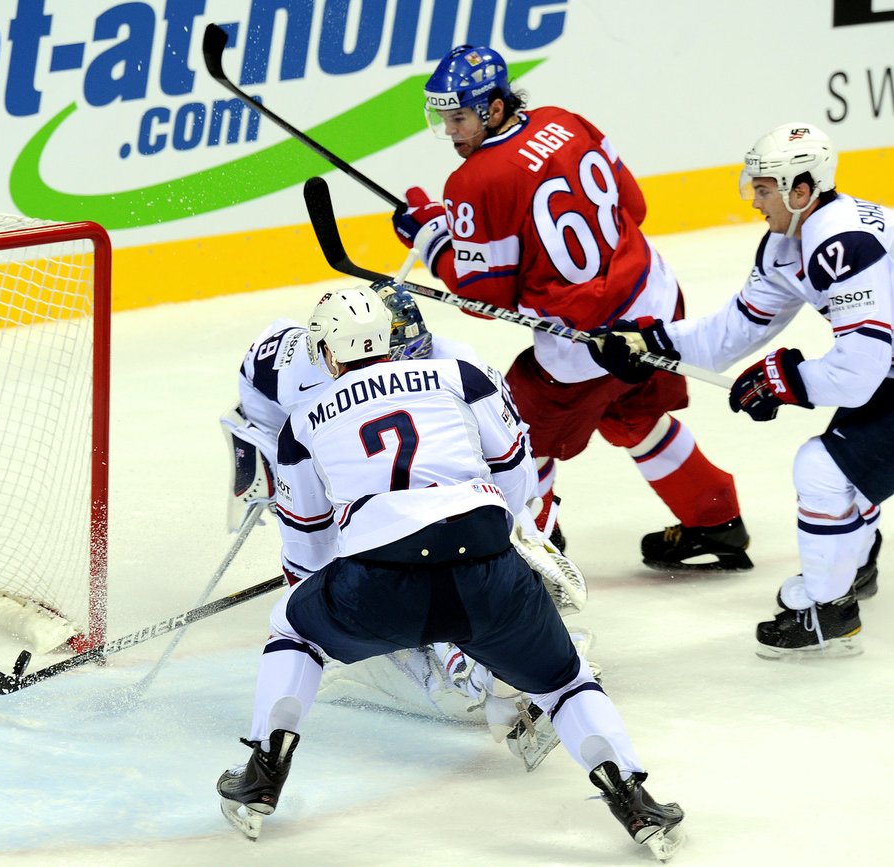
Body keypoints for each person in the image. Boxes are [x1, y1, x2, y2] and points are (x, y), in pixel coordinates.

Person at [216, 286, 685, 860]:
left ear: (326, 353)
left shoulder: (301, 424)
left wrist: (332, 587)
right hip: (486, 569)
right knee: (567, 681)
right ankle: (636, 803)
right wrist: (520, 536)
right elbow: (515, 467)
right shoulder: (460, 374)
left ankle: (263, 774)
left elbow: (308, 548)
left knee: (291, 628)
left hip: (378, 583)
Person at [391, 44, 752, 572]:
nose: (451, 131)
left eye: (460, 117)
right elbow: (636, 206)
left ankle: (538, 555)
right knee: (635, 414)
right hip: (656, 300)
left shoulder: (475, 181)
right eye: (444, 118)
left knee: (515, 433)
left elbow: (483, 298)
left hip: (589, 343)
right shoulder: (566, 120)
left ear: (493, 108)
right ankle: (713, 515)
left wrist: (430, 236)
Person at [219, 279, 590, 770]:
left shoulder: (456, 363)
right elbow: (252, 405)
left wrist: (521, 533)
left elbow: (507, 471)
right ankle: (486, 662)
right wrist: (266, 460)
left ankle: (483, 656)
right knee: (386, 580)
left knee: (438, 566)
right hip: (316, 461)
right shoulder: (292, 363)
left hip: (419, 506)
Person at [590, 122, 887, 659]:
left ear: (802, 190)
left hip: (883, 371)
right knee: (847, 463)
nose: (755, 200)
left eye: (765, 188)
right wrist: (650, 343)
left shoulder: (842, 244)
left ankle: (827, 613)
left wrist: (783, 381)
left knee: (823, 469)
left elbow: (858, 373)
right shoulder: (788, 243)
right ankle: (852, 558)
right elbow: (733, 333)